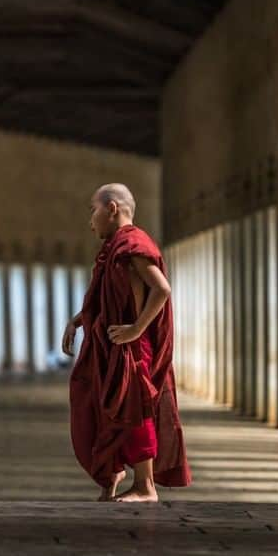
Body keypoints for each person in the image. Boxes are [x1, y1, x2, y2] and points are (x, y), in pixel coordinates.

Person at [63, 183, 190, 502]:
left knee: (132, 408)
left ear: (112, 208)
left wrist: (136, 329)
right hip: (111, 344)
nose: (91, 220)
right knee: (102, 407)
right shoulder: (115, 248)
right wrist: (78, 320)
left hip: (131, 348)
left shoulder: (133, 244)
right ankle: (111, 477)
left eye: (93, 210)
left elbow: (161, 289)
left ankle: (145, 486)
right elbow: (107, 300)